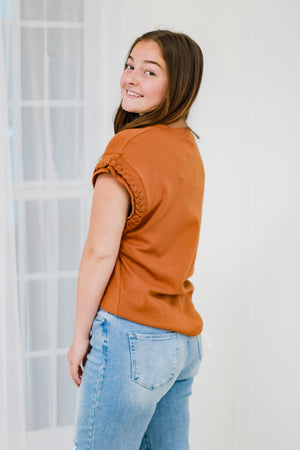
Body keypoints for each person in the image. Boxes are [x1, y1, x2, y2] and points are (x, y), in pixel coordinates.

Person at [67, 29, 205, 450]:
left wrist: (79, 337)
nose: (131, 78)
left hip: (130, 339)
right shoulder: (188, 148)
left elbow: (99, 254)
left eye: (149, 72)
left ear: (177, 84)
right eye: (130, 65)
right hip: (180, 344)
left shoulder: (126, 148)